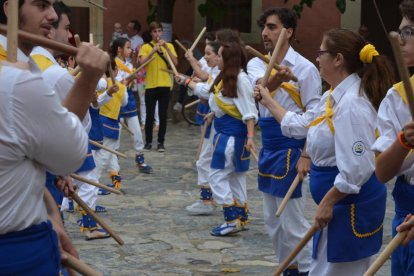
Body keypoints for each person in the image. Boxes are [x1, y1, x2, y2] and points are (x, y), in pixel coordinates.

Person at [255, 28, 394, 275]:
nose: (316, 58)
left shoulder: (352, 105)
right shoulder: (333, 95)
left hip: (351, 207)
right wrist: (267, 100)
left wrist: (328, 202)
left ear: (338, 59)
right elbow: (301, 126)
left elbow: (357, 168)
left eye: (321, 52)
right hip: (338, 206)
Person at [0, 0, 109, 274]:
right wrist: (89, 77)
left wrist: (51, 216)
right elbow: (67, 157)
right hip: (16, 253)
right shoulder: (14, 80)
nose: (52, 15)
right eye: (41, 4)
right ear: (9, 9)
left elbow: (21, 162)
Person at [246, 7, 322, 275]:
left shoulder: (307, 69)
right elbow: (259, 90)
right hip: (269, 147)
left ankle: (310, 269)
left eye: (272, 27)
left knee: (292, 221)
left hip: (292, 147)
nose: (265, 33)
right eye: (264, 27)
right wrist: (280, 76)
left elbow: (315, 118)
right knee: (272, 221)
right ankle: (288, 267)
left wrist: (306, 154)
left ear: (288, 32)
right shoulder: (256, 62)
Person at [30, 1, 110, 240]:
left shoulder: (28, 63)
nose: (70, 35)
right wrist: (90, 77)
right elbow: (73, 136)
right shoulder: (55, 75)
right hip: (41, 180)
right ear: (50, 30)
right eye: (66, 28)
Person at [373, 1, 414, 274]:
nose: (400, 39)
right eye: (400, 31)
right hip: (406, 215)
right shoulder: (397, 97)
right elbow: (382, 172)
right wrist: (403, 142)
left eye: (409, 32)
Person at [202, 40, 257, 236]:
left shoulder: (241, 80)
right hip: (229, 135)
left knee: (216, 176)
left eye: (221, 55)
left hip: (232, 138)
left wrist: (250, 137)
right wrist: (214, 113)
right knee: (235, 177)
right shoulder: (228, 77)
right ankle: (241, 216)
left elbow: (249, 112)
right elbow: (230, 106)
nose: (217, 58)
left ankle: (231, 219)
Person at [178, 40, 221, 215]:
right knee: (206, 162)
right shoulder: (219, 72)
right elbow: (207, 88)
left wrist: (188, 81)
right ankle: (213, 200)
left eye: (209, 53)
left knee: (207, 163)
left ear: (219, 55)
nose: (205, 56)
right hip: (217, 122)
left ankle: (209, 201)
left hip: (224, 127)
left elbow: (208, 91)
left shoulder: (227, 75)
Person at [113, 37, 153, 175]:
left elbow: (129, 84)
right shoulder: (113, 65)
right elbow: (117, 84)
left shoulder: (129, 66)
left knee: (136, 131)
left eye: (130, 48)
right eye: (128, 48)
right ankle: (114, 162)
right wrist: (130, 78)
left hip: (129, 100)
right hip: (116, 101)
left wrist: (133, 78)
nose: (130, 50)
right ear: (119, 49)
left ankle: (140, 159)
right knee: (115, 133)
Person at [139, 21, 178, 152]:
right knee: (149, 115)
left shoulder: (169, 46)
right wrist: (152, 51)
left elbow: (175, 62)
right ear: (151, 33)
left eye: (159, 31)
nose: (157, 34)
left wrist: (166, 48)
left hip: (165, 84)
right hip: (150, 85)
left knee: (162, 115)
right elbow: (141, 64)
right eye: (154, 31)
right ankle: (148, 142)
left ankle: (161, 142)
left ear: (162, 32)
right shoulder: (145, 47)